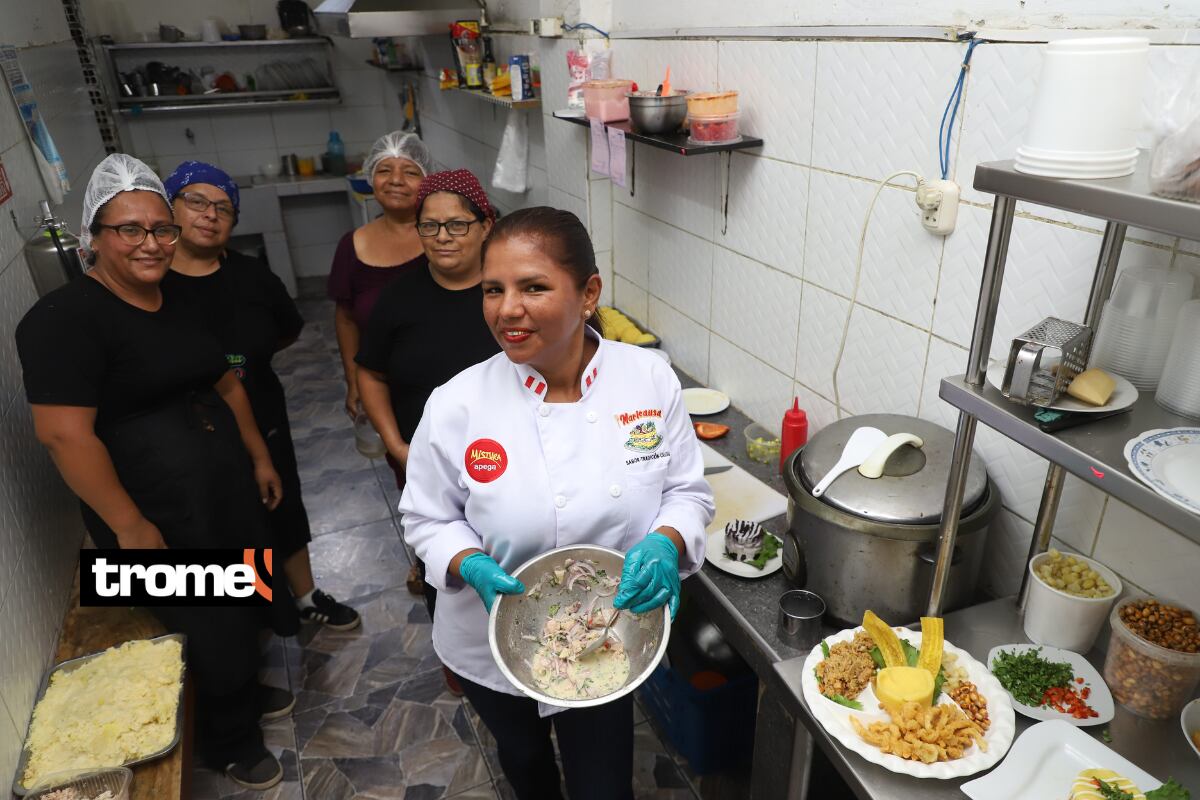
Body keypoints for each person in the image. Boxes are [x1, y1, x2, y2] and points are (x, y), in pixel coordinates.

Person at [399, 207, 715, 799]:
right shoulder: (457, 403)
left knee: (603, 781)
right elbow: (425, 516)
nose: (506, 309)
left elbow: (685, 491)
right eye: (493, 290)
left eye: (533, 287)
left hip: (610, 631)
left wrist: (665, 541)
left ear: (589, 292)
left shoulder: (648, 379)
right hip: (494, 639)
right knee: (524, 761)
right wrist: (470, 565)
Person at [15, 154, 290, 790]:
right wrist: (129, 525)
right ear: (94, 237)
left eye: (162, 229)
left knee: (242, 591)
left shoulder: (177, 300)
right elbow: (62, 434)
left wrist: (256, 455)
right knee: (200, 615)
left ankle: (242, 696)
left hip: (218, 487)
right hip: (150, 508)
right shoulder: (62, 321)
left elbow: (224, 379)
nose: (152, 243)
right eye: (130, 230)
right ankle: (228, 739)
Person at [161, 160, 360, 631]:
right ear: (168, 208)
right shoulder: (153, 282)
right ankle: (250, 616)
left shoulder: (253, 278)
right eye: (196, 202)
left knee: (281, 502)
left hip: (260, 408)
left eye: (224, 208)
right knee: (222, 518)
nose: (210, 214)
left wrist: (243, 363)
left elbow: (286, 332)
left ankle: (305, 596)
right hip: (184, 426)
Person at [356, 169, 501, 694]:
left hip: (510, 460)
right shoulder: (399, 299)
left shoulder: (503, 292)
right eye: (430, 226)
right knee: (442, 557)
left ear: (486, 225)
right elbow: (369, 372)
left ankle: (523, 640)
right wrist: (396, 445)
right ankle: (461, 660)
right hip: (432, 464)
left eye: (457, 225)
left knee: (512, 547)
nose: (443, 237)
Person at [328, 131, 432, 422]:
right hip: (384, 388)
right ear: (371, 177)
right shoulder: (352, 245)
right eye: (384, 170)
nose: (396, 180)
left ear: (427, 181)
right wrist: (354, 380)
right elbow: (346, 319)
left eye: (410, 172)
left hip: (444, 380)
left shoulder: (442, 238)